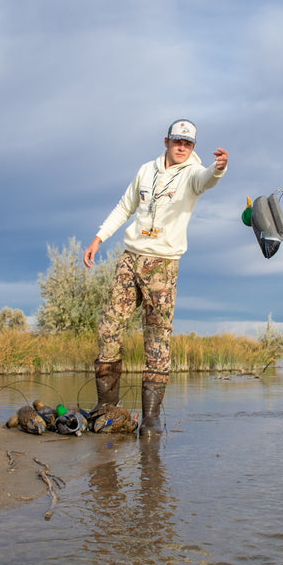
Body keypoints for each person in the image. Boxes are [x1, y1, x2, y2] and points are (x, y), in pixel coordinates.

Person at [83, 119, 228, 435]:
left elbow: (207, 181)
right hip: (130, 259)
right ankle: (106, 408)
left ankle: (151, 419)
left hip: (163, 265)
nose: (182, 147)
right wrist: (99, 238)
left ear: (193, 147)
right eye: (177, 141)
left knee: (157, 337)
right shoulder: (145, 171)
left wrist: (218, 169)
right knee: (108, 326)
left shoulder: (192, 174)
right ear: (166, 141)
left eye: (188, 144)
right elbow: (124, 207)